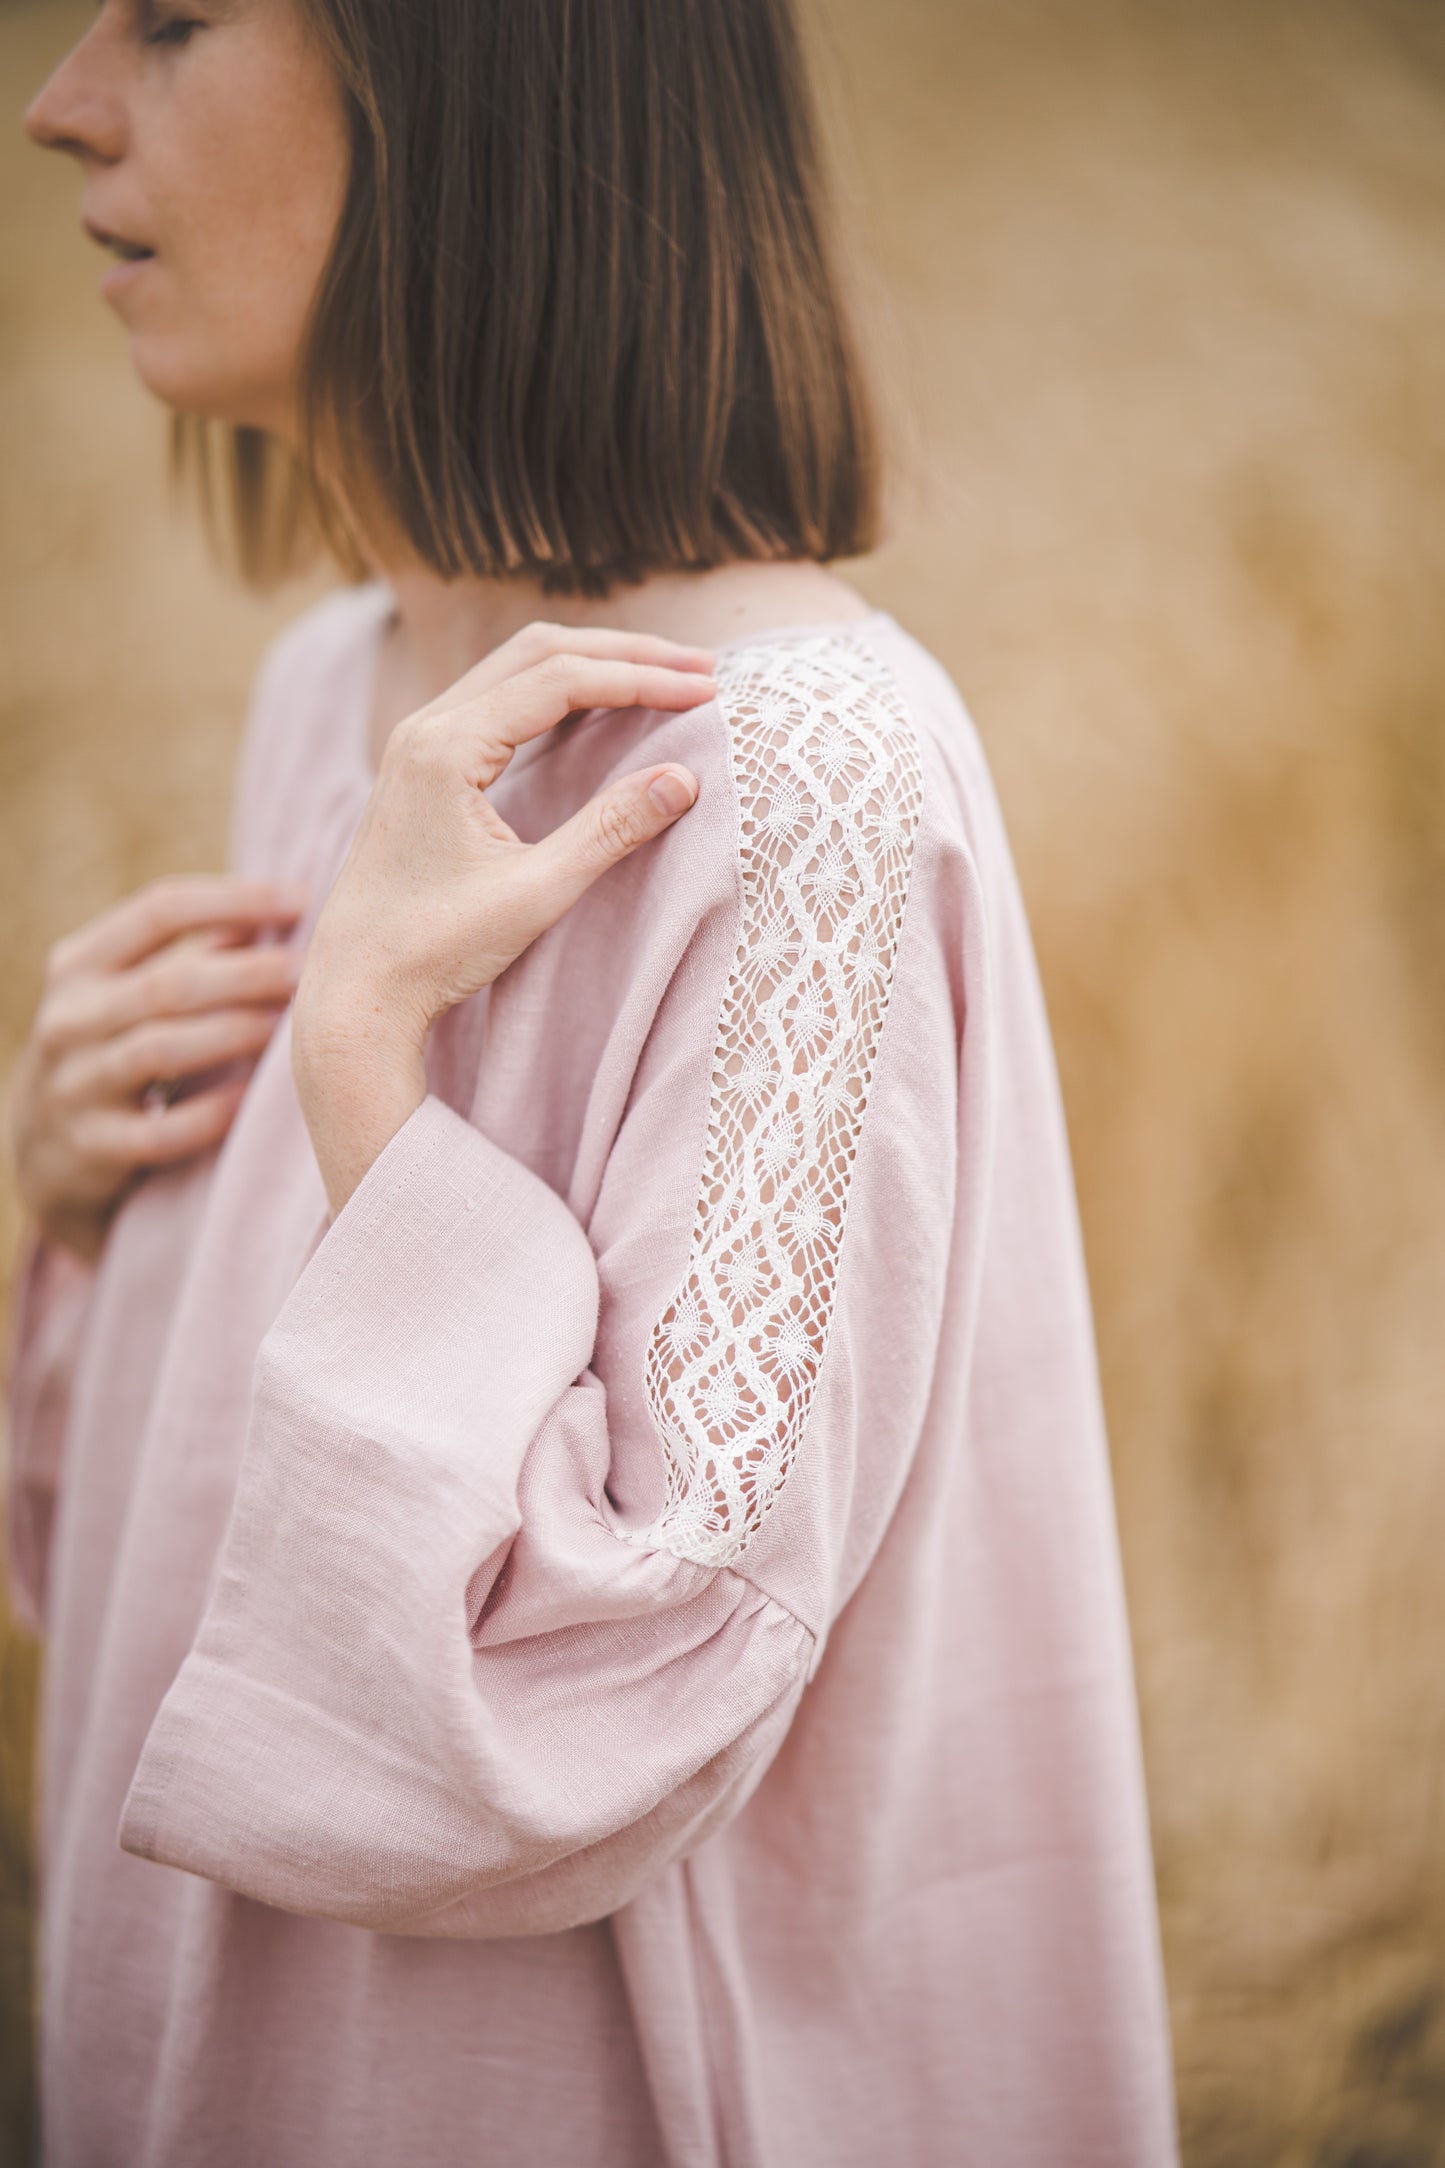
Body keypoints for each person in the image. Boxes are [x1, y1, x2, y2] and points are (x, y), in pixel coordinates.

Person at [9, 1, 1178, 2161]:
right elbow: (227, 1613)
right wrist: (87, 1222)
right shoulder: (334, 687)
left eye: (173, 21)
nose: (62, 101)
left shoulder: (804, 774)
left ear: (474, 74)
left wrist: (369, 1073)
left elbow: (613, 1691)